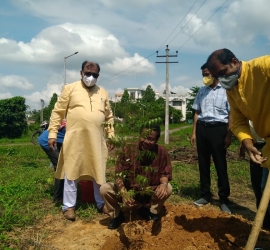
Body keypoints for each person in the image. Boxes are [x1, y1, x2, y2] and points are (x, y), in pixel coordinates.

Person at [48, 61, 114, 221]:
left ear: (98, 75)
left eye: (95, 75)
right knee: (72, 171)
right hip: (75, 139)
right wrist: (52, 133)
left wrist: (111, 135)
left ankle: (101, 204)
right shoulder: (69, 89)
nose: (91, 77)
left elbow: (109, 116)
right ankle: (69, 206)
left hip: (96, 140)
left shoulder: (103, 93)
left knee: (99, 172)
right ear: (81, 73)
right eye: (88, 73)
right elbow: (58, 112)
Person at [100, 125, 172, 229]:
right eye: (144, 137)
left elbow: (165, 173)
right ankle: (117, 215)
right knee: (105, 189)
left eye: (151, 139)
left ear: (156, 140)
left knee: (168, 188)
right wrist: (124, 193)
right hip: (129, 191)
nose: (146, 141)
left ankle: (150, 211)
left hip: (149, 192)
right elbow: (118, 175)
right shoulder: (128, 150)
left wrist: (163, 184)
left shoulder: (161, 152)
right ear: (139, 136)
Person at [190, 63, 232, 213]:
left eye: (207, 74)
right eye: (203, 75)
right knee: (203, 163)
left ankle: (223, 199)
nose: (205, 78)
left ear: (215, 74)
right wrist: (194, 132)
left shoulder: (226, 91)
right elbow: (197, 113)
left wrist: (229, 134)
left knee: (220, 164)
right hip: (202, 128)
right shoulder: (202, 91)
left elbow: (231, 114)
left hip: (218, 130)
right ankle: (205, 195)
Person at [238, 121, 270, 230]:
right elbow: (244, 127)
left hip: (267, 144)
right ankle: (263, 222)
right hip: (254, 146)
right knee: (258, 187)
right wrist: (244, 144)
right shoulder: (248, 108)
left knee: (266, 187)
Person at [38, 119, 66, 203]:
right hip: (47, 142)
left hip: (58, 143)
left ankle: (64, 193)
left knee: (63, 167)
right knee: (61, 168)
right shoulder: (73, 124)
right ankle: (58, 198)